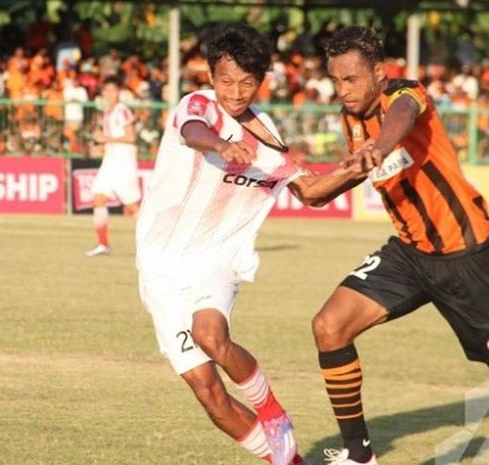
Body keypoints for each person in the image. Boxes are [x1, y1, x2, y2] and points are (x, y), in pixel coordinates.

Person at [135, 23, 365, 465]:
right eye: (226, 80)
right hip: (160, 266)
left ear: (260, 81)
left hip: (217, 257)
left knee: (210, 335)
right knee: (209, 394)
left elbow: (310, 191)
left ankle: (273, 413)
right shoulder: (197, 105)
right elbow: (193, 132)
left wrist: (359, 168)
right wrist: (223, 143)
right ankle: (290, 461)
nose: (235, 92)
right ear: (211, 76)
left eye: (245, 82)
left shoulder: (266, 136)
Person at [312, 26, 489, 465]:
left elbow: (401, 118)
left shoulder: (407, 95)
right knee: (329, 326)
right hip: (408, 254)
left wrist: (380, 145)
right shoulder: (349, 117)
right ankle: (359, 457)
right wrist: (309, 188)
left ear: (378, 72)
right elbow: (350, 173)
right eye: (336, 80)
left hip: (466, 252)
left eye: (351, 79)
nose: (343, 89)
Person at [85, 76, 141, 257]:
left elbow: (131, 137)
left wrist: (105, 140)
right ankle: (103, 244)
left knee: (132, 206)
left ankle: (153, 243)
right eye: (105, 91)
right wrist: (100, 146)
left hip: (123, 162)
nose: (108, 94)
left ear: (118, 92)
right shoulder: (107, 112)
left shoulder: (122, 111)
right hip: (110, 160)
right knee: (98, 198)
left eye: (112, 90)